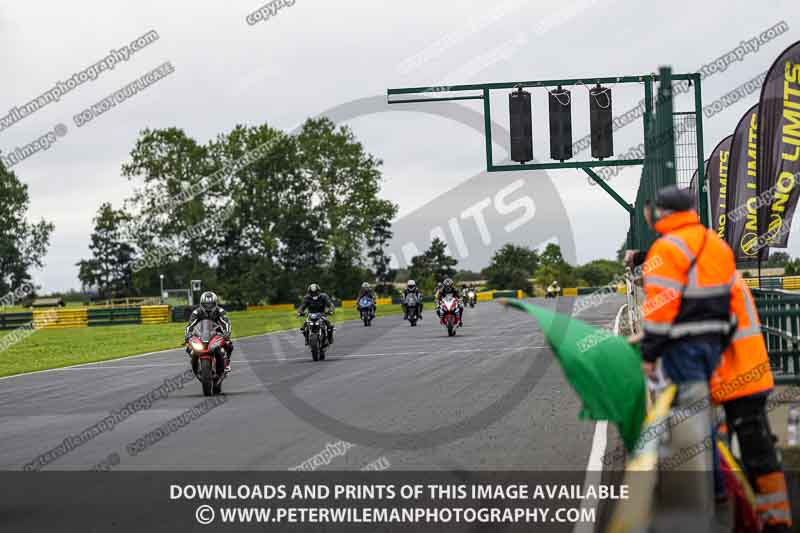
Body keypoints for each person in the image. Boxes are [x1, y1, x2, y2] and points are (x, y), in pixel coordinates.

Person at [710, 274, 792, 532]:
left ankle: (774, 520)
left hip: (740, 380)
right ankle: (767, 515)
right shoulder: (721, 274)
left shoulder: (711, 279)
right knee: (756, 451)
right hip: (744, 377)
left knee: (756, 454)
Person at [635, 186, 736, 384]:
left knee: (691, 408)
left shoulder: (665, 249)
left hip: (684, 343)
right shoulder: (716, 243)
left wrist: (649, 354)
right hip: (718, 340)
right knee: (709, 403)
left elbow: (661, 307)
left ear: (661, 212)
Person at [184, 291, 233, 373]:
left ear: (215, 303)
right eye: (206, 304)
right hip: (200, 333)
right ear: (201, 304)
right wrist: (187, 335)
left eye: (211, 304)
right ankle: (195, 363)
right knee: (188, 347)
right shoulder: (196, 312)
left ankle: (227, 362)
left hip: (217, 333)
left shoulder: (220, 311)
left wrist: (227, 333)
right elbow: (190, 325)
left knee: (229, 344)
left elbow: (226, 323)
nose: (208, 306)